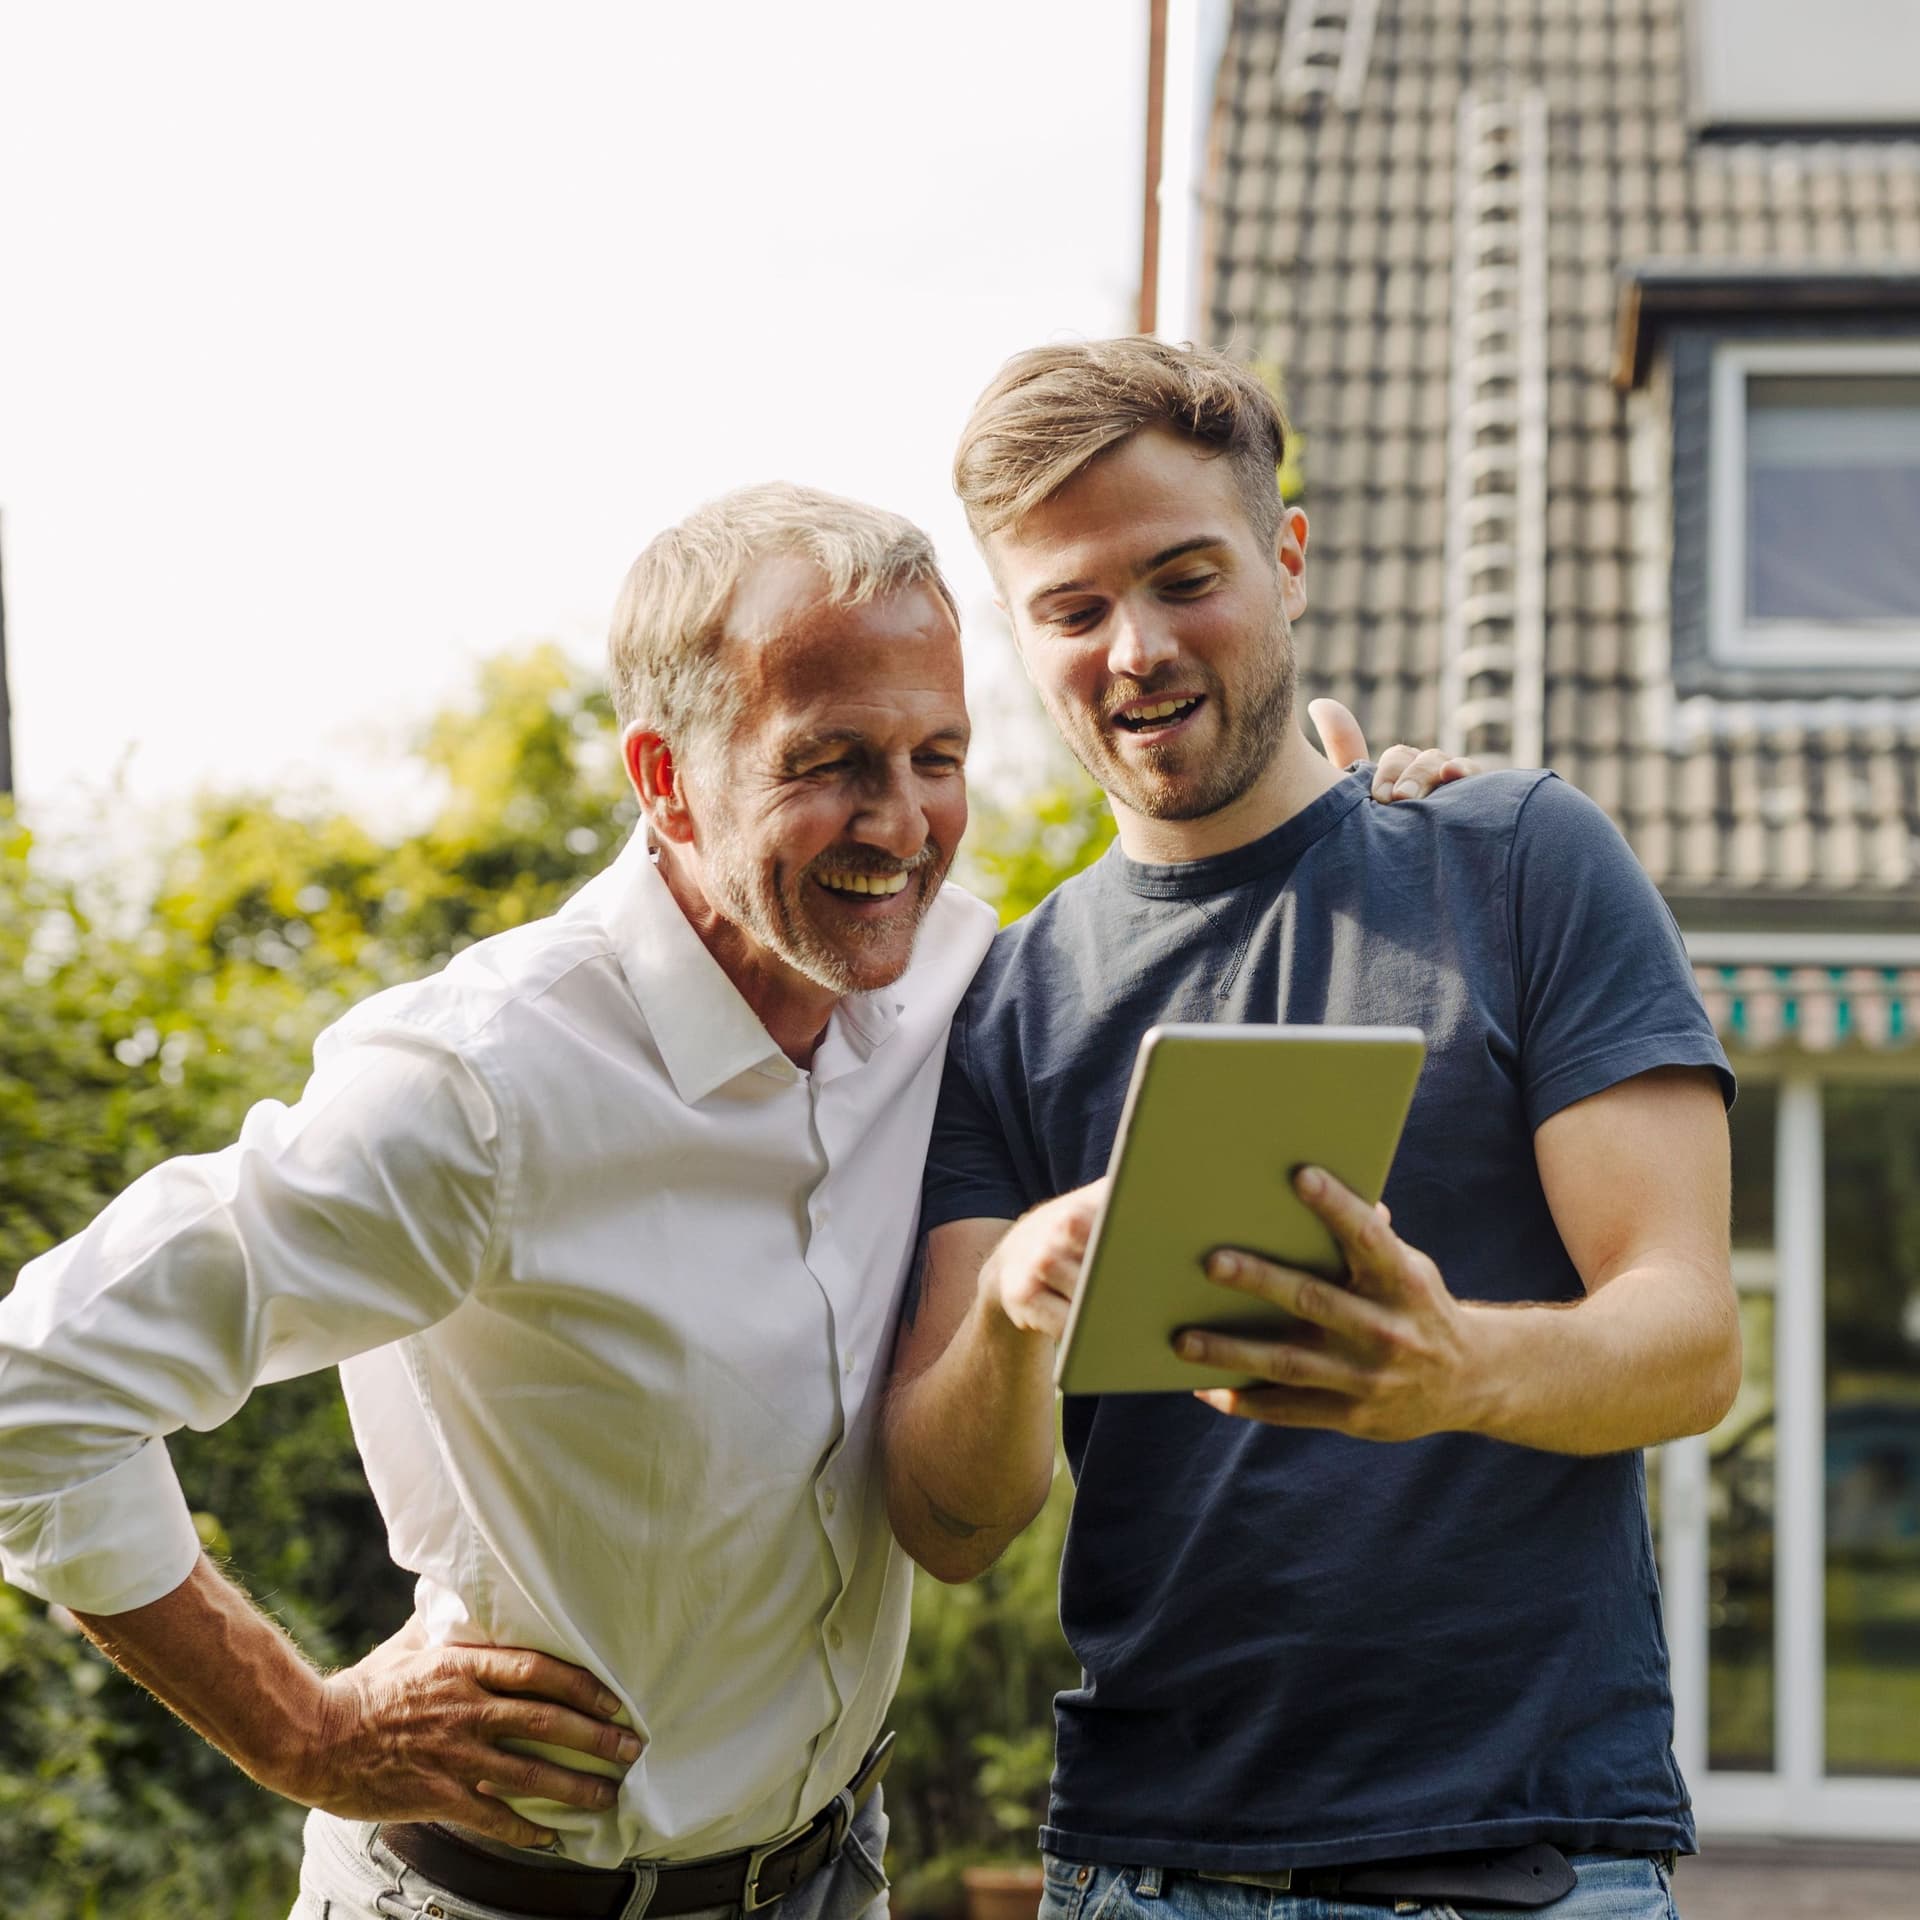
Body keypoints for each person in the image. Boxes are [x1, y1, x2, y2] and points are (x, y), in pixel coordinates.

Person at [0, 481, 1459, 1920]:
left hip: (832, 1875)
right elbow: (32, 1390)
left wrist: (1364, 839)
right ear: (664, 777)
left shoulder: (958, 983)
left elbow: (1172, 979)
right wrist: (302, 1729)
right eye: (831, 760)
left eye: (938, 756)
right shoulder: (474, 1088)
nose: (902, 825)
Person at [883, 338, 1742, 1920]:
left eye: (1183, 577)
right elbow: (949, 1524)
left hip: (1510, 1867)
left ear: (1285, 558)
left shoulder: (1518, 864)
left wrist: (1454, 1368)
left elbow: (1690, 1339)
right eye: (1071, 610)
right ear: (1023, 637)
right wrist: (1009, 1318)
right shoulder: (1007, 1004)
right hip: (1144, 1867)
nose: (1133, 647)